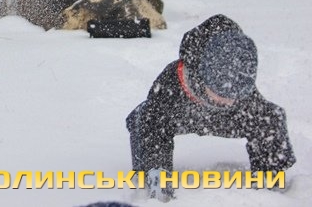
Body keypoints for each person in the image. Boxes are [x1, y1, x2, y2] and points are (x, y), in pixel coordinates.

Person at [126, 14, 295, 201]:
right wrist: (157, 174)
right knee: (144, 117)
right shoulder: (173, 83)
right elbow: (150, 120)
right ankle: (154, 176)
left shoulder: (238, 80)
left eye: (235, 95)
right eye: (222, 93)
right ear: (203, 76)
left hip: (227, 120)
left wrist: (271, 175)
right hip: (183, 115)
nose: (229, 101)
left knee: (269, 118)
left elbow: (269, 118)